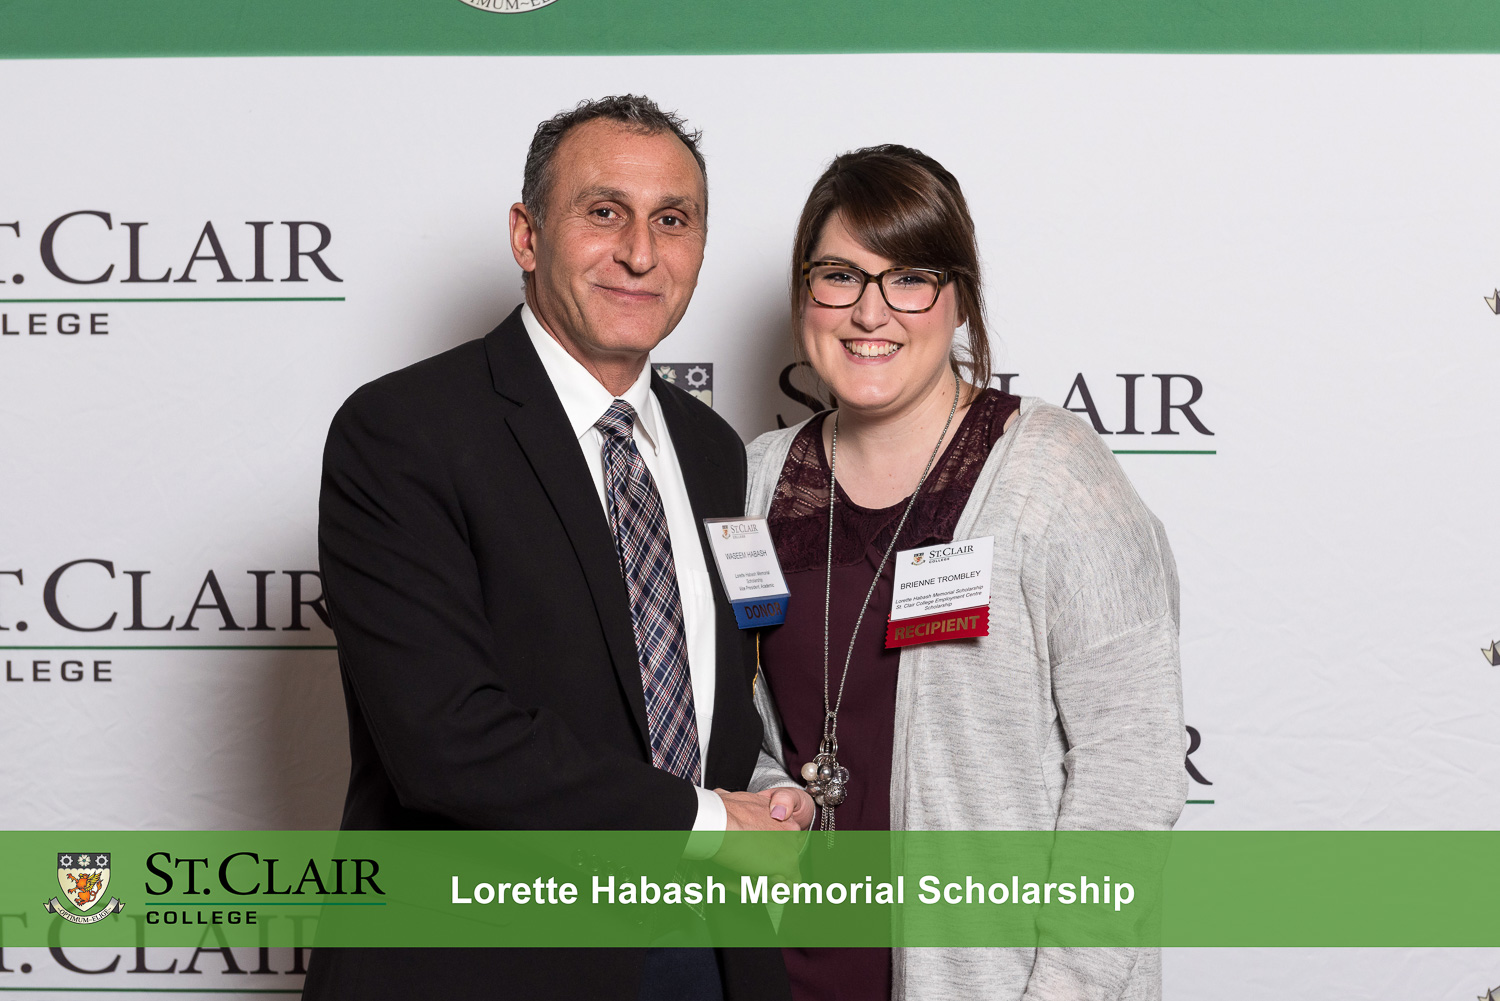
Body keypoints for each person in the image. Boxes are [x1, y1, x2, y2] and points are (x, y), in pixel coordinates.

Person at [303, 95, 813, 1001]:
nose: (640, 253)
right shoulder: (404, 432)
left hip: (706, 951)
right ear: (527, 235)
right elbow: (444, 739)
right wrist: (705, 823)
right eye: (604, 211)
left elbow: (710, 703)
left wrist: (767, 790)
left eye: (673, 220)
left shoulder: (711, 450)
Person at [745, 145, 1187, 1000]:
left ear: (958, 298)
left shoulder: (1053, 475)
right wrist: (772, 794)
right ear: (806, 294)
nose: (869, 311)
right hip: (789, 971)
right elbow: (742, 724)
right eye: (839, 275)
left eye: (909, 278)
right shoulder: (761, 479)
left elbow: (1129, 770)